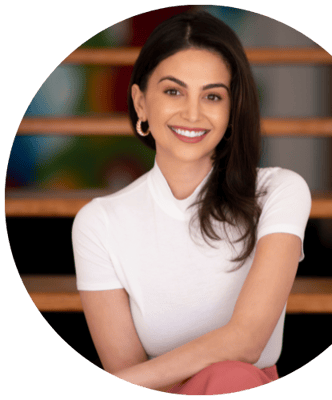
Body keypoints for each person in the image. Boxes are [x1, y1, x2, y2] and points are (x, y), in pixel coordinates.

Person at [72, 10, 311, 395]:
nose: (193, 113)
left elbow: (247, 341)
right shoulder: (99, 222)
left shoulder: (279, 191)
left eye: (212, 95)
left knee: (231, 377)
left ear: (232, 110)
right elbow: (133, 375)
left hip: (246, 386)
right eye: (173, 91)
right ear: (140, 102)